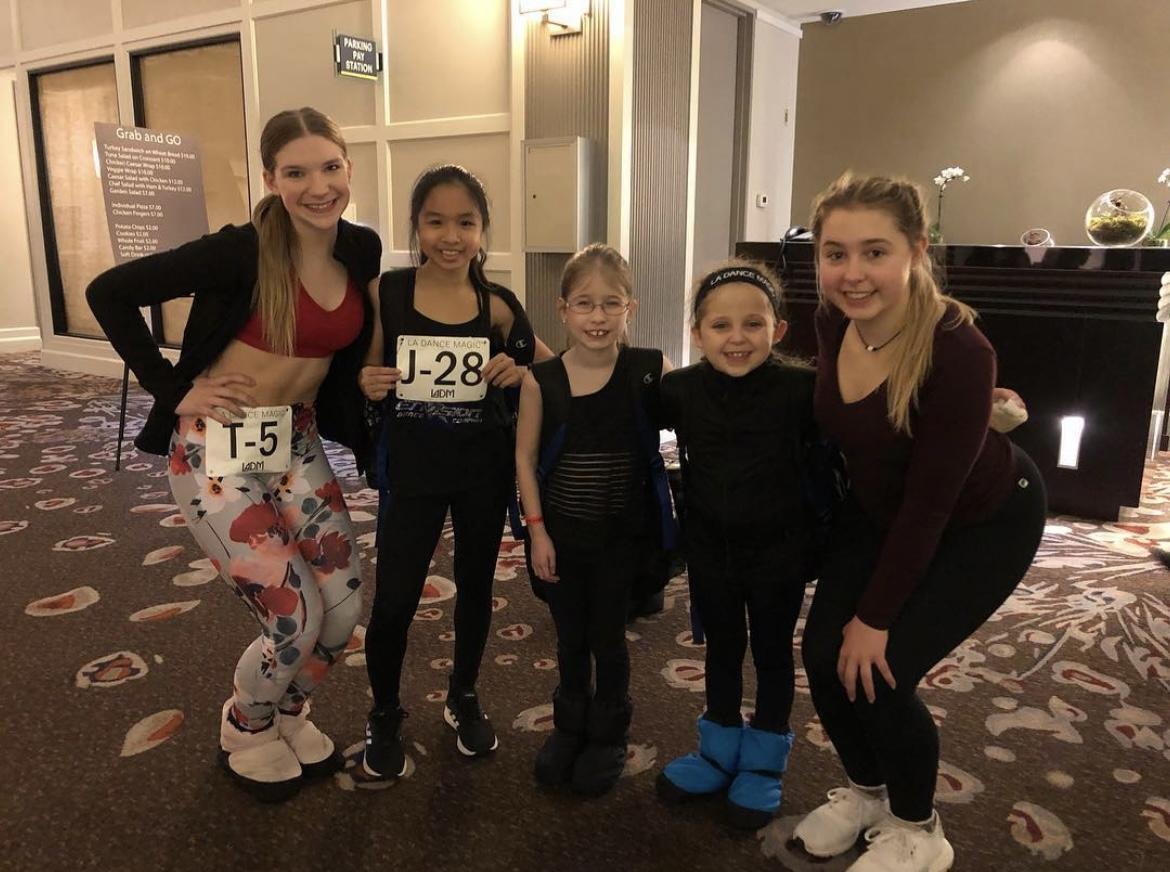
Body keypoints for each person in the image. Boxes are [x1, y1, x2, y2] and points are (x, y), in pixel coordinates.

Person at [86, 107, 382, 802]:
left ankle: (287, 712)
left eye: (330, 167)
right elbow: (109, 293)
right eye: (297, 172)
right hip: (215, 451)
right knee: (293, 618)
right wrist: (173, 389)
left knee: (343, 610)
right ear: (271, 178)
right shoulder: (240, 251)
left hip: (294, 441)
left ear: (348, 166)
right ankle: (246, 726)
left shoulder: (360, 248)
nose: (318, 186)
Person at [793, 174, 1046, 872]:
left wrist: (875, 617)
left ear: (916, 249)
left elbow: (931, 505)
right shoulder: (831, 319)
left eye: (874, 252)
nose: (852, 273)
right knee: (823, 656)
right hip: (877, 508)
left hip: (983, 520)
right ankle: (866, 794)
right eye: (835, 253)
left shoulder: (960, 351)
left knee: (879, 670)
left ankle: (918, 829)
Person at [358, 165, 547, 778]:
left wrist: (521, 372)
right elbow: (363, 371)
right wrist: (367, 381)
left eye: (465, 222)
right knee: (395, 599)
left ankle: (463, 694)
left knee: (475, 588)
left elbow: (552, 374)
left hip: (480, 471)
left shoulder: (498, 306)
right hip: (412, 470)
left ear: (483, 229)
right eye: (435, 221)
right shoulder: (387, 292)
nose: (450, 236)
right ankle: (384, 711)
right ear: (416, 226)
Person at [654, 260, 820, 829]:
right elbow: (613, 409)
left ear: (778, 329)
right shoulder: (679, 390)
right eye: (720, 325)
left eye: (753, 324)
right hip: (710, 549)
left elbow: (868, 414)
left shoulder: (802, 389)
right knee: (722, 648)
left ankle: (766, 758)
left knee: (772, 652)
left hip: (780, 552)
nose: (737, 338)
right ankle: (718, 749)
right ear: (697, 333)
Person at [515, 244, 677, 796]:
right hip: (560, 536)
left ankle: (608, 732)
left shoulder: (649, 371)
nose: (598, 317)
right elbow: (524, 458)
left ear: (631, 307)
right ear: (563, 310)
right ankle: (569, 725)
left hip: (621, 538)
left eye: (612, 304)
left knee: (608, 637)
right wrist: (536, 532)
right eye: (585, 304)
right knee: (569, 637)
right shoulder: (542, 379)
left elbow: (702, 418)